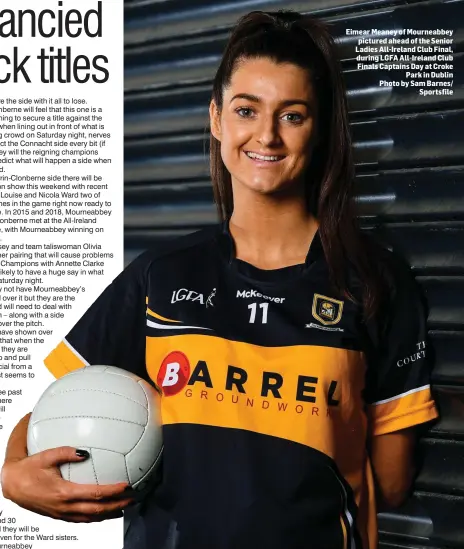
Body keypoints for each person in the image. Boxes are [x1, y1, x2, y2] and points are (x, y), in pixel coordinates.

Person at [1, 10, 438, 549]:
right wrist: (13, 470)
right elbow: (58, 407)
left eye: (293, 116)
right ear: (216, 119)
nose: (266, 136)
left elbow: (392, 484)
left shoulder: (374, 284)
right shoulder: (160, 276)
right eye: (246, 110)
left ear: (319, 128)